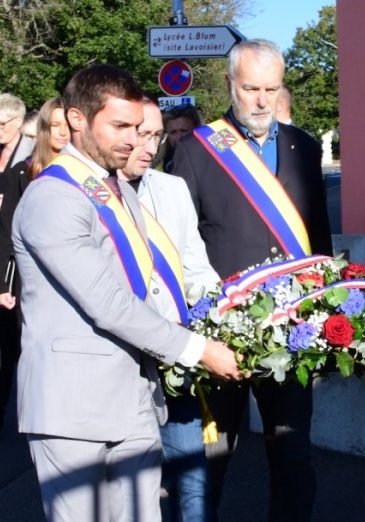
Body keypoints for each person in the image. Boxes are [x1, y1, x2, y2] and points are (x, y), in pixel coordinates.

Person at [12, 63, 240, 522]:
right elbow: (108, 302)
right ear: (77, 119)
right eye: (119, 126)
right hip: (72, 408)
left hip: (135, 395)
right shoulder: (53, 197)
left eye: (137, 127)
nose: (135, 140)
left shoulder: (115, 189)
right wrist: (200, 349)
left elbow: (150, 287)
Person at [172, 39, 333, 522]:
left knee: (293, 454)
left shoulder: (303, 147)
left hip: (292, 329)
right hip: (223, 334)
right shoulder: (198, 150)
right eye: (250, 88)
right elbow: (181, 244)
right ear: (229, 85)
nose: (262, 100)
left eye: (271, 87)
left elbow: (319, 239)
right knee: (212, 457)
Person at [117, 93, 218, 522]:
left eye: (157, 136)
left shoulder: (173, 188)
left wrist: (219, 313)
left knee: (191, 478)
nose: (150, 146)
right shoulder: (90, 193)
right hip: (121, 366)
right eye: (141, 134)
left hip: (177, 359)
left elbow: (196, 266)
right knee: (131, 495)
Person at [0, 97, 69, 446]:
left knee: (53, 351)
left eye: (69, 126)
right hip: (20, 273)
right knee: (5, 347)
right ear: (45, 130)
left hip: (65, 280)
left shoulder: (91, 172)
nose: (63, 133)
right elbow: (7, 231)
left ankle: (57, 420)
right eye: (56, 126)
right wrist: (1, 284)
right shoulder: (25, 170)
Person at [0, 93, 34, 445]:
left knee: (19, 339)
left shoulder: (32, 155)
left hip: (17, 259)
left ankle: (6, 415)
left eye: (1, 123)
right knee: (1, 337)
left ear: (17, 121)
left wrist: (11, 204)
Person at [160, 104, 204, 173]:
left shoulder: (208, 160)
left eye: (184, 130)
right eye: (173, 132)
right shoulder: (168, 160)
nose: (179, 137)